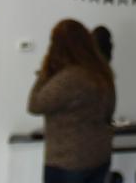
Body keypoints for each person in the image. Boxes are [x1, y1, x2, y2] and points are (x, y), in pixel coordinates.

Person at [29, 19, 116, 183]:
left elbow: (35, 105)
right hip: (100, 156)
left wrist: (44, 73)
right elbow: (109, 110)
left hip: (69, 161)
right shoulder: (101, 74)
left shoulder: (69, 78)